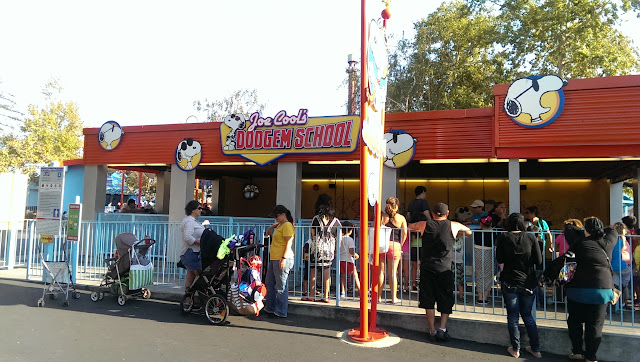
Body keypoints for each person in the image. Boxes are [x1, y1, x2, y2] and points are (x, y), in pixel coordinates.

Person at [565, 217, 617, 362]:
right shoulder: (607, 243)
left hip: (577, 288)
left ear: (585, 229)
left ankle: (577, 351)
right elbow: (613, 230)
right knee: (595, 325)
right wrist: (599, 230)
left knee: (574, 321)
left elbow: (569, 228)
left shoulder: (578, 241)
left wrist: (586, 231)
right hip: (602, 288)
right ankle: (591, 357)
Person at [420, 202, 471, 342]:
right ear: (447, 213)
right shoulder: (453, 225)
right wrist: (458, 233)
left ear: (432, 214)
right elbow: (469, 231)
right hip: (445, 268)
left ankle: (432, 330)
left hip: (427, 267)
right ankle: (442, 329)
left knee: (428, 299)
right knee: (446, 298)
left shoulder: (424, 225)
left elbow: (409, 226)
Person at [495, 213, 543, 359]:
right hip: (528, 281)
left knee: (513, 317)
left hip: (509, 280)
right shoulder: (530, 237)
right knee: (528, 316)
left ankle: (515, 349)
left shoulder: (503, 237)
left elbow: (500, 258)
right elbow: (538, 260)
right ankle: (536, 349)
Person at [264, 205, 295, 318]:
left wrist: (284, 258)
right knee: (270, 283)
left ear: (282, 215)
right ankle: (271, 307)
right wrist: (270, 228)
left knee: (281, 285)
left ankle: (281, 310)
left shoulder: (286, 226)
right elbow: (278, 225)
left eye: (276, 216)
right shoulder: (282, 224)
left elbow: (288, 243)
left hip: (282, 258)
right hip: (275, 258)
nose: (275, 218)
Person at [309, 201, 340, 303]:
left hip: (317, 248)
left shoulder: (316, 219)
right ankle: (326, 296)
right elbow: (338, 236)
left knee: (314, 271)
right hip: (329, 250)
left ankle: (312, 295)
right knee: (327, 272)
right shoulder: (336, 221)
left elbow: (313, 234)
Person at [379, 197, 407, 305]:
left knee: (380, 272)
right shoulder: (401, 218)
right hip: (394, 245)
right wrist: (401, 243)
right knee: (392, 272)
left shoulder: (382, 216)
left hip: (382, 245)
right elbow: (404, 232)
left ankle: (379, 297)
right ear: (397, 206)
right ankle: (394, 297)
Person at [404, 186, 431, 293]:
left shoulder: (411, 203)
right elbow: (426, 213)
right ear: (423, 192)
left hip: (413, 234)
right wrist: (431, 221)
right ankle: (423, 283)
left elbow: (409, 216)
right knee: (423, 262)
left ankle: (413, 283)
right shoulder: (423, 203)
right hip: (423, 233)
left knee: (414, 263)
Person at [180, 201, 207, 305]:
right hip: (190, 253)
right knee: (200, 276)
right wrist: (201, 243)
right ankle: (204, 299)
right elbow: (188, 237)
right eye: (199, 208)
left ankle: (188, 300)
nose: (201, 210)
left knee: (190, 276)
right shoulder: (189, 222)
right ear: (193, 210)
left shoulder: (193, 221)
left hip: (194, 253)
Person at [473, 215, 495, 304]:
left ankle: (480, 297)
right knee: (488, 274)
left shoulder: (477, 231)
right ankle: (485, 297)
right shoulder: (493, 232)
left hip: (477, 251)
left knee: (479, 273)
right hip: (489, 252)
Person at [611, 222, 631, 311]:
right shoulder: (621, 240)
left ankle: (615, 305)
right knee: (625, 283)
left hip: (612, 266)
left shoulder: (611, 240)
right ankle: (623, 302)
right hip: (621, 266)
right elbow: (622, 249)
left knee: (616, 285)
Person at [338, 221, 360, 297]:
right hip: (348, 259)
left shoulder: (339, 239)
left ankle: (342, 291)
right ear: (350, 230)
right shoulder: (350, 239)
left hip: (341, 259)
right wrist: (355, 254)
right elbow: (351, 251)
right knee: (355, 275)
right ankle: (360, 290)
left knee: (343, 276)